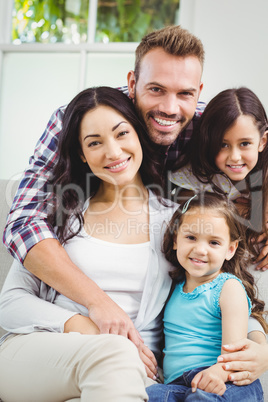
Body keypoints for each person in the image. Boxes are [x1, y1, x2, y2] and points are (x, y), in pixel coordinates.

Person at [2, 25, 268, 383]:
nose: (169, 108)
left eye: (185, 93)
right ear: (132, 83)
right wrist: (98, 311)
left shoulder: (183, 197)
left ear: (198, 92)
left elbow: (216, 278)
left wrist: (258, 340)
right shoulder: (71, 177)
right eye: (155, 89)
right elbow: (23, 223)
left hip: (143, 367)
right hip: (70, 348)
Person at [0, 86, 178, 401]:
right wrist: (93, 328)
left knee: (114, 370)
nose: (112, 152)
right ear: (82, 154)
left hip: (130, 371)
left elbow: (212, 289)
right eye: (94, 142)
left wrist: (257, 340)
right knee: (114, 355)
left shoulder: (176, 222)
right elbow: (10, 305)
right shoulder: (56, 214)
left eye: (121, 133)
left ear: (139, 134)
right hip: (36, 352)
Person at [146, 192, 267, 401]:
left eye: (213, 242)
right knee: (150, 395)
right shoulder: (172, 287)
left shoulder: (228, 288)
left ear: (230, 249)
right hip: (179, 384)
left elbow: (235, 353)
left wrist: (218, 373)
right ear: (176, 240)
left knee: (201, 399)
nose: (200, 250)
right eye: (191, 237)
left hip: (226, 380)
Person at [169, 87, 268, 272]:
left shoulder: (264, 172)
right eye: (223, 145)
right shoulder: (193, 178)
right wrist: (240, 211)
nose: (235, 157)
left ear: (262, 141)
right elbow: (190, 226)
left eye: (245, 143)